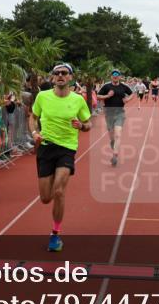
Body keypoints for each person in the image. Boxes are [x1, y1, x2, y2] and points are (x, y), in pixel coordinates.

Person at [28, 63, 92, 252]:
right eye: (57, 73)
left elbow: (88, 124)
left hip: (67, 148)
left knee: (59, 191)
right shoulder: (42, 96)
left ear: (70, 77)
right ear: (53, 78)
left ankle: (55, 235)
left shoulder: (78, 100)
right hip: (46, 148)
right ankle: (54, 221)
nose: (60, 76)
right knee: (45, 198)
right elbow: (32, 117)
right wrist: (34, 133)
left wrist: (81, 125)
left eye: (64, 73)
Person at [97, 70, 133, 166]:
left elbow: (132, 93)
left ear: (120, 77)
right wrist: (107, 95)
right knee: (112, 134)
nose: (115, 77)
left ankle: (115, 156)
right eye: (114, 75)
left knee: (118, 134)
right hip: (108, 113)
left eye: (117, 75)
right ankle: (112, 141)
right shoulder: (106, 86)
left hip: (120, 113)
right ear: (111, 77)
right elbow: (98, 96)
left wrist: (128, 99)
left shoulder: (124, 87)